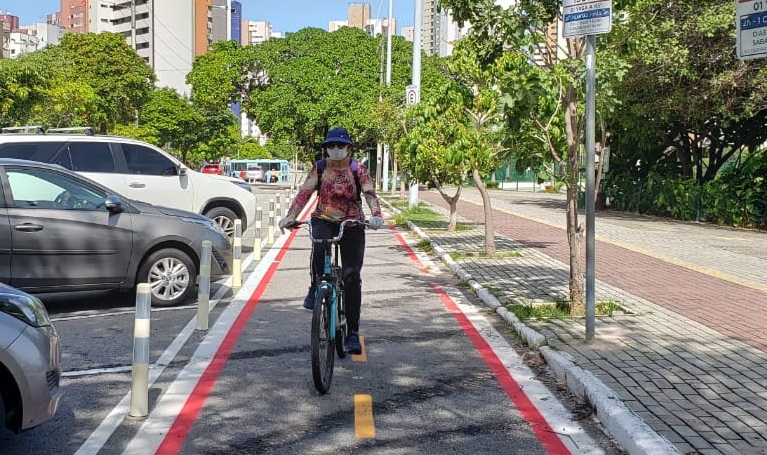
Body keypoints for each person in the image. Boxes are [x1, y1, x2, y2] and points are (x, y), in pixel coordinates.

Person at [279, 127, 384, 355]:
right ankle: (316, 285)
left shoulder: (358, 169)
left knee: (351, 276)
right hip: (324, 218)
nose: (335, 150)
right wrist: (291, 216)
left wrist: (377, 215)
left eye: (340, 146)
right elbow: (304, 193)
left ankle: (353, 332)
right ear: (326, 148)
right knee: (318, 249)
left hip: (352, 222)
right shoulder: (320, 168)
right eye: (330, 146)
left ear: (349, 148)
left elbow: (369, 193)